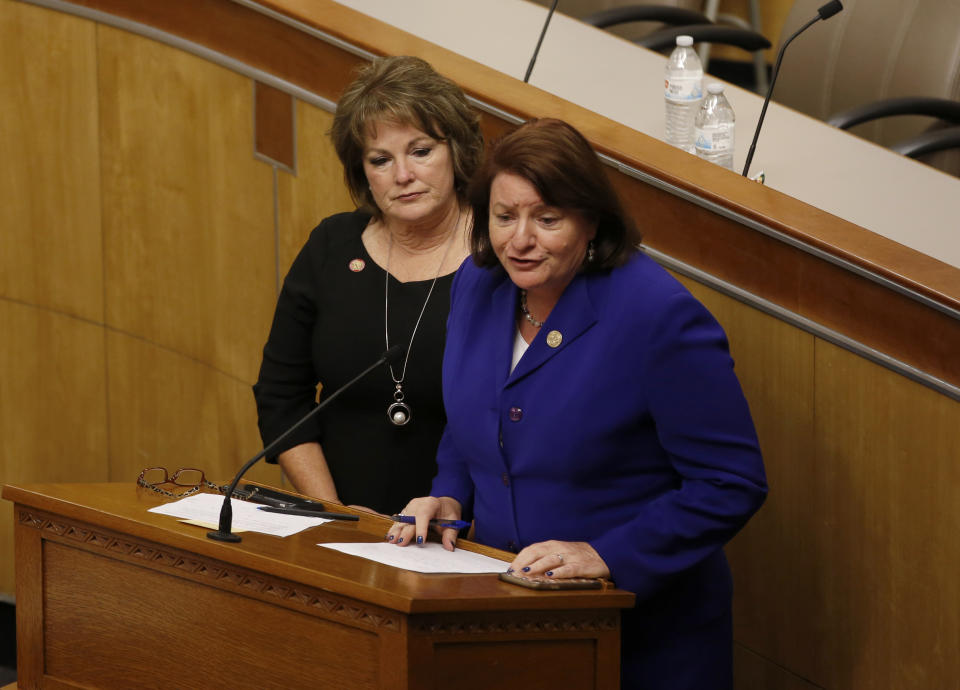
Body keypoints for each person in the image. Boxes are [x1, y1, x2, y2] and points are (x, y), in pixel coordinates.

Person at [388, 118, 767, 689]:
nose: (519, 239)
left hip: (641, 641)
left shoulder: (657, 316)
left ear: (591, 221)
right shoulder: (478, 284)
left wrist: (607, 554)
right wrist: (449, 494)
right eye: (504, 216)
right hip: (504, 624)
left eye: (547, 218)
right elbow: (475, 419)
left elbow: (731, 482)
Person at [253, 56, 483, 515]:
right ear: (362, 173)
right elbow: (281, 396)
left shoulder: (498, 256)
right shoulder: (332, 245)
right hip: (338, 523)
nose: (403, 175)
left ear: (456, 151)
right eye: (381, 159)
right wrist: (332, 513)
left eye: (421, 151)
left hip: (459, 528)